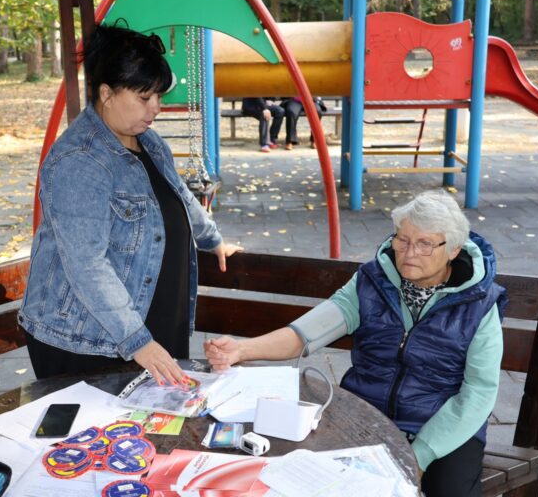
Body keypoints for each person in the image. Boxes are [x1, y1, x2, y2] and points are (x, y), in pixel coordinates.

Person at [204, 191, 506, 497]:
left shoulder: (479, 302)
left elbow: (478, 394)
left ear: (453, 249)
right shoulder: (372, 281)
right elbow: (306, 333)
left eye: (425, 243)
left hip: (443, 426)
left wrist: (420, 454)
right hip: (366, 412)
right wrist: (241, 350)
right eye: (402, 239)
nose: (409, 252)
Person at [18, 24, 242, 386]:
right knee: (103, 440)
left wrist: (211, 239)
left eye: (158, 95)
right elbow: (86, 263)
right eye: (143, 97)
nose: (156, 107)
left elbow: (179, 196)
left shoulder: (149, 142)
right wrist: (138, 341)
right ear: (106, 93)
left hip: (149, 327)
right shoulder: (80, 160)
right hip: (89, 341)